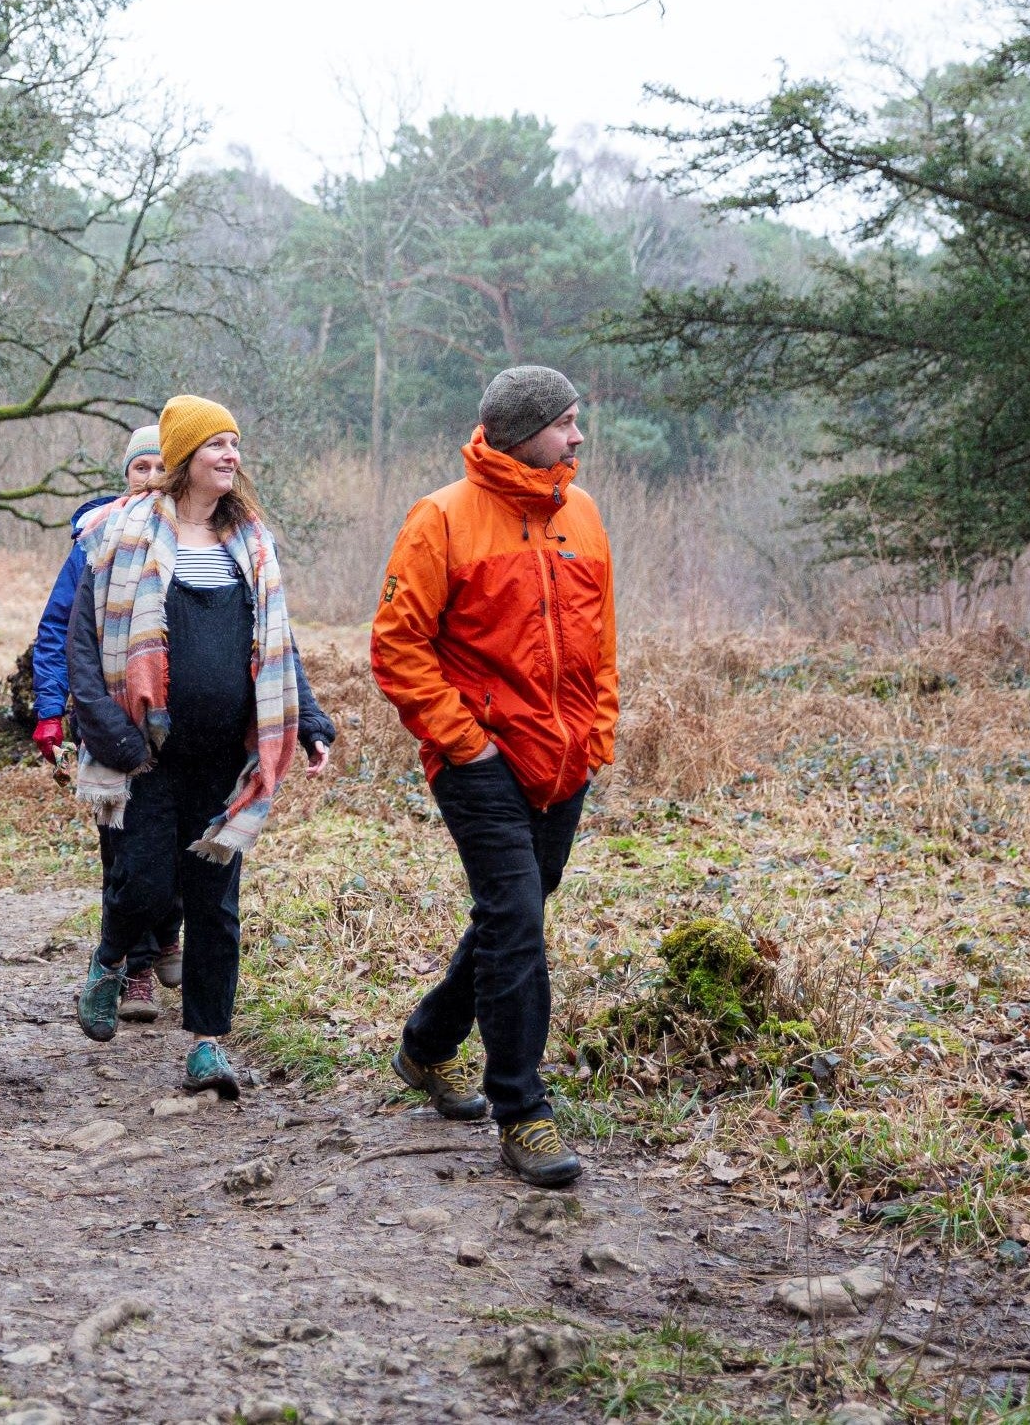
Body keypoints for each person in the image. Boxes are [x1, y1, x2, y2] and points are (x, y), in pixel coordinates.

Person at [371, 365, 619, 1189]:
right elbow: (396, 647)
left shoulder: (580, 514)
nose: (578, 436)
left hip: (565, 760)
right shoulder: (441, 518)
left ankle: (427, 1046)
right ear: (522, 431)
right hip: (479, 759)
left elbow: (602, 644)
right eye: (566, 422)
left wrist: (598, 733)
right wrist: (463, 742)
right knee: (517, 919)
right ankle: (524, 1112)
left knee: (510, 917)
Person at [64, 396, 336, 1097]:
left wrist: (307, 718)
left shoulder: (252, 541)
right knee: (146, 883)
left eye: (236, 444)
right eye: (217, 444)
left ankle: (206, 1045)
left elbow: (278, 642)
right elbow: (84, 649)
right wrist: (115, 738)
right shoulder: (118, 535)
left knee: (214, 905)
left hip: (227, 759)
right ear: (185, 458)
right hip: (147, 752)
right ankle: (109, 959)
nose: (231, 456)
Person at [31, 424, 182, 1022]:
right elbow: (57, 629)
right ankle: (137, 969)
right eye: (139, 469)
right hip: (111, 721)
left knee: (174, 845)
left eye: (159, 470)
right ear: (126, 474)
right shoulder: (93, 541)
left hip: (177, 719)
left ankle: (165, 934)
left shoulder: (193, 539)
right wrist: (51, 709)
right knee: (122, 850)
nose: (149, 480)